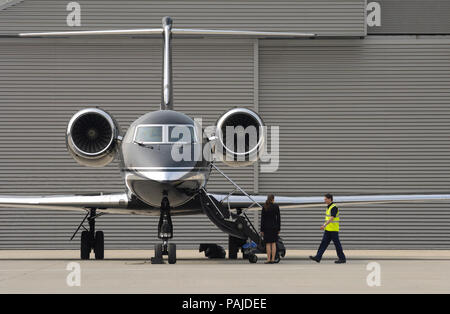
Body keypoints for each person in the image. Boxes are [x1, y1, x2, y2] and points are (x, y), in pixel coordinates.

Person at [309, 193, 346, 264]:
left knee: (337, 245)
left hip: (333, 230)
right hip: (328, 230)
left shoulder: (333, 207)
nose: (324, 200)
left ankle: (342, 258)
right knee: (323, 244)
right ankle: (318, 257)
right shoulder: (328, 207)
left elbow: (332, 218)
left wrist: (324, 225)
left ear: (330, 199)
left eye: (325, 199)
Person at [260, 194, 281, 264]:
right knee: (273, 243)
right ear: (273, 199)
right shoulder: (276, 206)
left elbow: (262, 219)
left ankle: (268, 259)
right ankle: (272, 259)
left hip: (266, 228)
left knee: (268, 244)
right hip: (274, 227)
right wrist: (279, 228)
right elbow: (278, 218)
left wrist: (261, 230)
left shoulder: (265, 207)